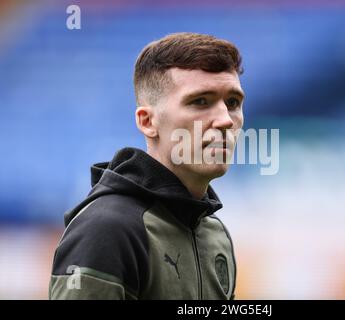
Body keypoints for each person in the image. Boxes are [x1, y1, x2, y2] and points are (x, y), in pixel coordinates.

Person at [49, 32, 245, 300]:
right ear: (147, 122)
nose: (225, 120)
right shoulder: (107, 229)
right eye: (201, 101)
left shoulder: (215, 234)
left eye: (232, 103)